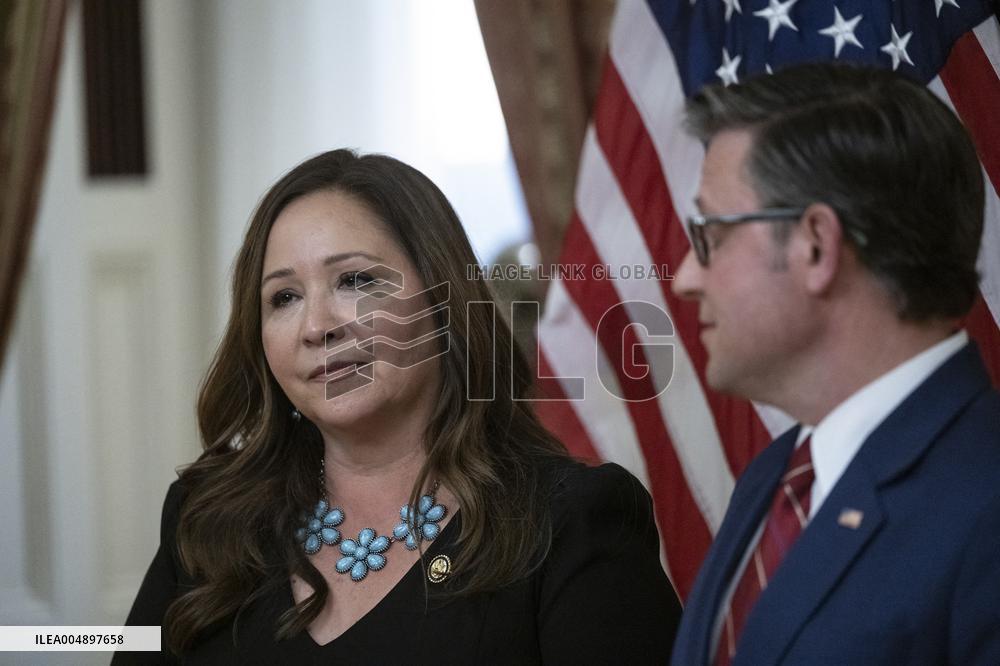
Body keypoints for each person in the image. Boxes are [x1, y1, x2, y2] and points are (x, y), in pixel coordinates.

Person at [114, 149, 681, 664]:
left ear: (442, 300)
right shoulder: (208, 517)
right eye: (284, 297)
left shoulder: (570, 523)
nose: (316, 326)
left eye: (355, 280)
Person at [669, 63, 1000, 665]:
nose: (685, 278)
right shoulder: (774, 477)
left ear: (817, 245)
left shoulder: (986, 500)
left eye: (710, 235)